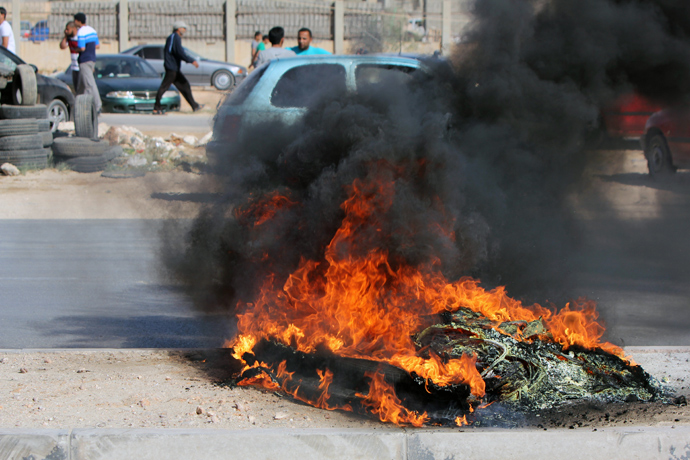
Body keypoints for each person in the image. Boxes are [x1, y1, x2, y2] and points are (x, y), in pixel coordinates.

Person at [153, 20, 202, 114]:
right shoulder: (175, 37)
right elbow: (178, 52)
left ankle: (194, 106)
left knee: (185, 85)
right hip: (171, 68)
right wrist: (191, 60)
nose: (185, 30)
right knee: (164, 87)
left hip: (174, 68)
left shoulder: (174, 37)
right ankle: (156, 108)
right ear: (178, 28)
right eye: (183, 28)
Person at [74, 12, 102, 113]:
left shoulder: (81, 32)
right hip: (92, 59)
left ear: (78, 21)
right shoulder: (92, 30)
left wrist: (75, 49)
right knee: (81, 86)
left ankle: (97, 106)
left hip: (84, 60)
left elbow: (82, 47)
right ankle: (77, 107)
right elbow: (97, 46)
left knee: (89, 84)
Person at [59, 21, 80, 90]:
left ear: (73, 28)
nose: (66, 31)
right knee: (76, 88)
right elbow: (62, 46)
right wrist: (65, 36)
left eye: (68, 29)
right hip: (74, 67)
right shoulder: (69, 38)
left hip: (80, 67)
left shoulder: (79, 37)